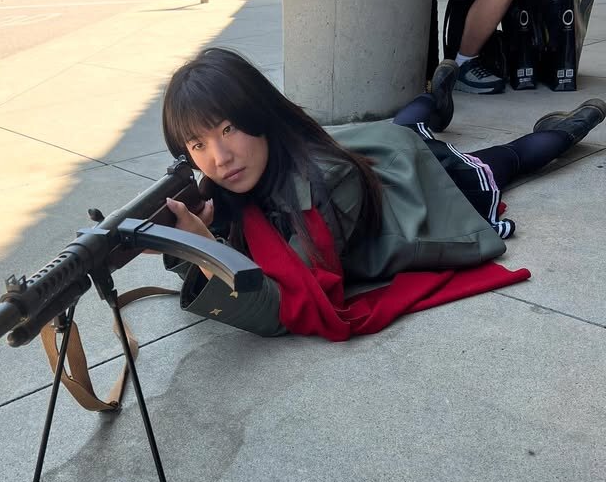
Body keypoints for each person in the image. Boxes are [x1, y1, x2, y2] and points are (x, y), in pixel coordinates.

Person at [159, 48, 606, 337]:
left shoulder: (325, 184)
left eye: (228, 129)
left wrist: (203, 250)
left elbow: (289, 306)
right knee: (404, 125)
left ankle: (569, 127)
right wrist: (187, 236)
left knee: (501, 162)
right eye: (198, 144)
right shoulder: (239, 176)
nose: (219, 158)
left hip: (416, 185)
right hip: (376, 145)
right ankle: (435, 98)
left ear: (258, 114)